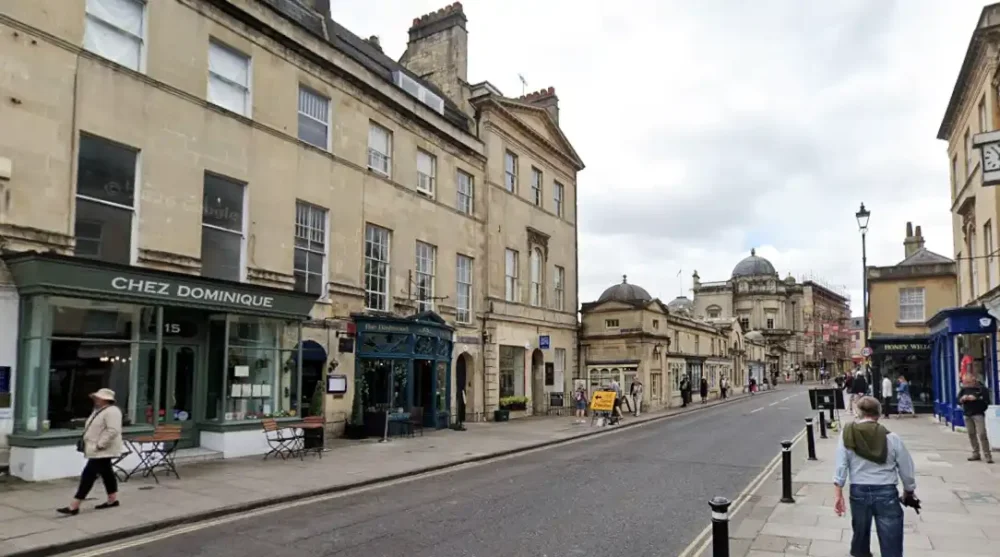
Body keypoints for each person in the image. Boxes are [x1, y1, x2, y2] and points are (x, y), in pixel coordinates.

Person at [833, 396, 917, 557]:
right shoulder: (892, 438)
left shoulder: (847, 434)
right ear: (879, 413)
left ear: (858, 413)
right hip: (886, 492)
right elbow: (906, 468)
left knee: (860, 536)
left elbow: (841, 465)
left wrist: (838, 494)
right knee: (891, 543)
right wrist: (909, 490)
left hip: (858, 491)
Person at [58, 388, 123, 515]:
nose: (95, 400)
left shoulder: (112, 411)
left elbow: (113, 431)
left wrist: (100, 445)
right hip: (98, 448)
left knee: (88, 474)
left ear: (106, 399)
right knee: (107, 473)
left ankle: (74, 505)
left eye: (98, 398)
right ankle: (112, 500)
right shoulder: (98, 411)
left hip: (102, 449)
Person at [958, 374, 993, 463]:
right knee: (971, 434)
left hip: (978, 414)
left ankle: (987, 455)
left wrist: (976, 398)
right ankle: (975, 453)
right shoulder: (963, 389)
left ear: (974, 381)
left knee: (982, 434)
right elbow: (958, 400)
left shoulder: (981, 389)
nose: (966, 384)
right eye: (965, 382)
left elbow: (987, 401)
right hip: (967, 414)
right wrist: (962, 399)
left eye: (968, 382)